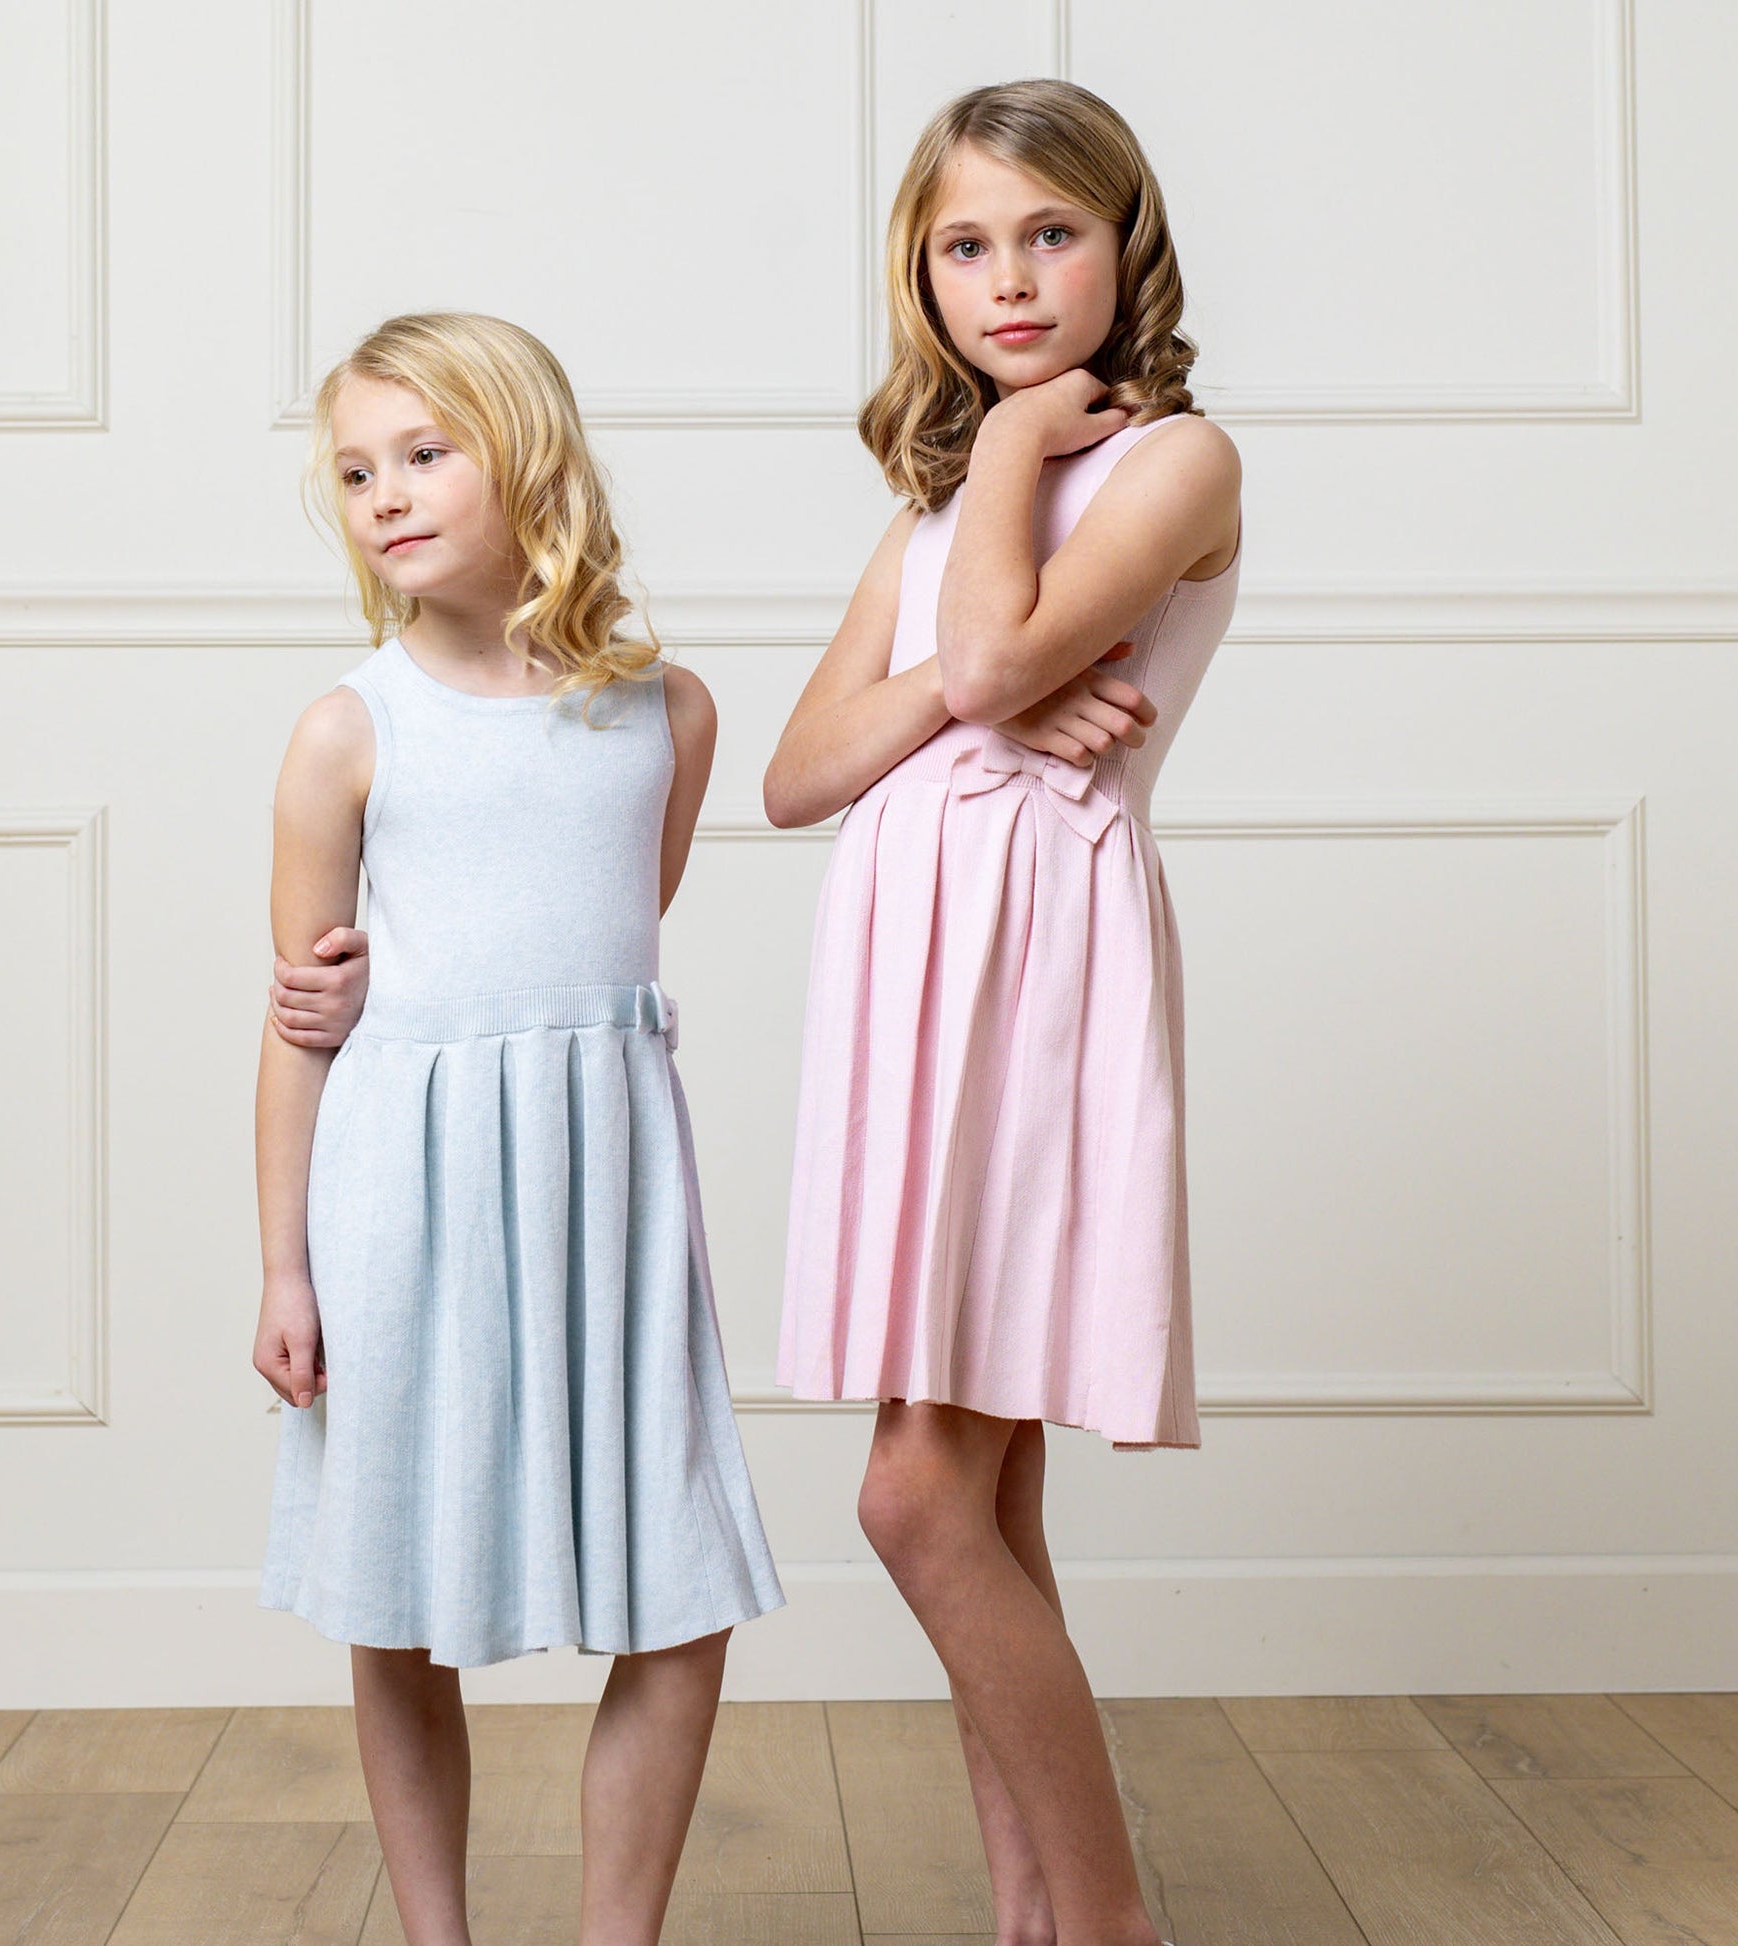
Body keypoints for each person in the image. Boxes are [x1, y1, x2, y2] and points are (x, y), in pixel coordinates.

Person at [766, 80, 1240, 1946]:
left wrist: (1025, 460)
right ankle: (1034, 1921)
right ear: (924, 278)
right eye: (966, 246)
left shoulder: (1175, 462)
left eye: (1050, 233)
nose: (1011, 279)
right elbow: (799, 774)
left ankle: (1107, 1922)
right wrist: (988, 682)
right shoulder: (936, 513)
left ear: (1125, 246)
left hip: (1033, 963)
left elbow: (978, 649)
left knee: (913, 1498)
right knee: (980, 1499)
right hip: (908, 973)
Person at [252, 311, 782, 1946]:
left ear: (528, 455)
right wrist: (283, 1266)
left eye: (425, 453)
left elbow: (610, 938)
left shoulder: (669, 713)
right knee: (396, 1594)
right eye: (356, 471)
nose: (386, 495)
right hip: (401, 1197)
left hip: (603, 1190)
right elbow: (299, 1019)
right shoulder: (348, 729)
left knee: (680, 1586)